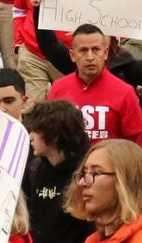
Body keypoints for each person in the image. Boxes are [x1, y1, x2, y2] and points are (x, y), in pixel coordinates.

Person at [47, 24, 142, 145]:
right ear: (72, 55)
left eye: (95, 50)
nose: (90, 57)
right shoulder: (58, 89)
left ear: (105, 53)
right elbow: (49, 136)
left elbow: (136, 146)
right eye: (83, 50)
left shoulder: (125, 92)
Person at [63, 140, 142, 243]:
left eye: (96, 173)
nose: (81, 182)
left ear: (125, 181)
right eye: (84, 173)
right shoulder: (92, 240)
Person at [22, 100, 92, 243]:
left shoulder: (88, 173)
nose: (30, 136)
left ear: (54, 135)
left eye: (36, 131)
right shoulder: (34, 168)